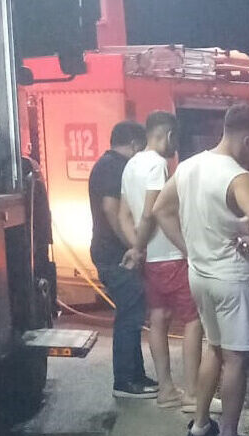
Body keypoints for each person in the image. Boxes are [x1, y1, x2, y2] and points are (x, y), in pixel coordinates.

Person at [151, 103, 249, 436]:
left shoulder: (189, 166)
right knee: (236, 359)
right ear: (247, 138)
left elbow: (160, 210)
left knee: (214, 348)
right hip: (230, 278)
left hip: (199, 275)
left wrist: (188, 248)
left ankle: (201, 424)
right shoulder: (237, 175)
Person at [120, 111, 219, 414]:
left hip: (151, 262)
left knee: (158, 319)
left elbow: (126, 213)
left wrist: (136, 247)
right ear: (168, 135)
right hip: (171, 256)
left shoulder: (130, 164)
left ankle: (165, 389)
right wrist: (184, 249)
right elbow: (154, 211)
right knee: (192, 321)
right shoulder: (157, 165)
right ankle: (191, 392)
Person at [88, 121, 156, 398]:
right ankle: (125, 381)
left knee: (133, 312)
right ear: (135, 144)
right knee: (129, 315)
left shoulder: (109, 165)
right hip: (114, 254)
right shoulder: (113, 167)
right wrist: (134, 246)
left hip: (112, 252)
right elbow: (112, 210)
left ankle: (136, 376)